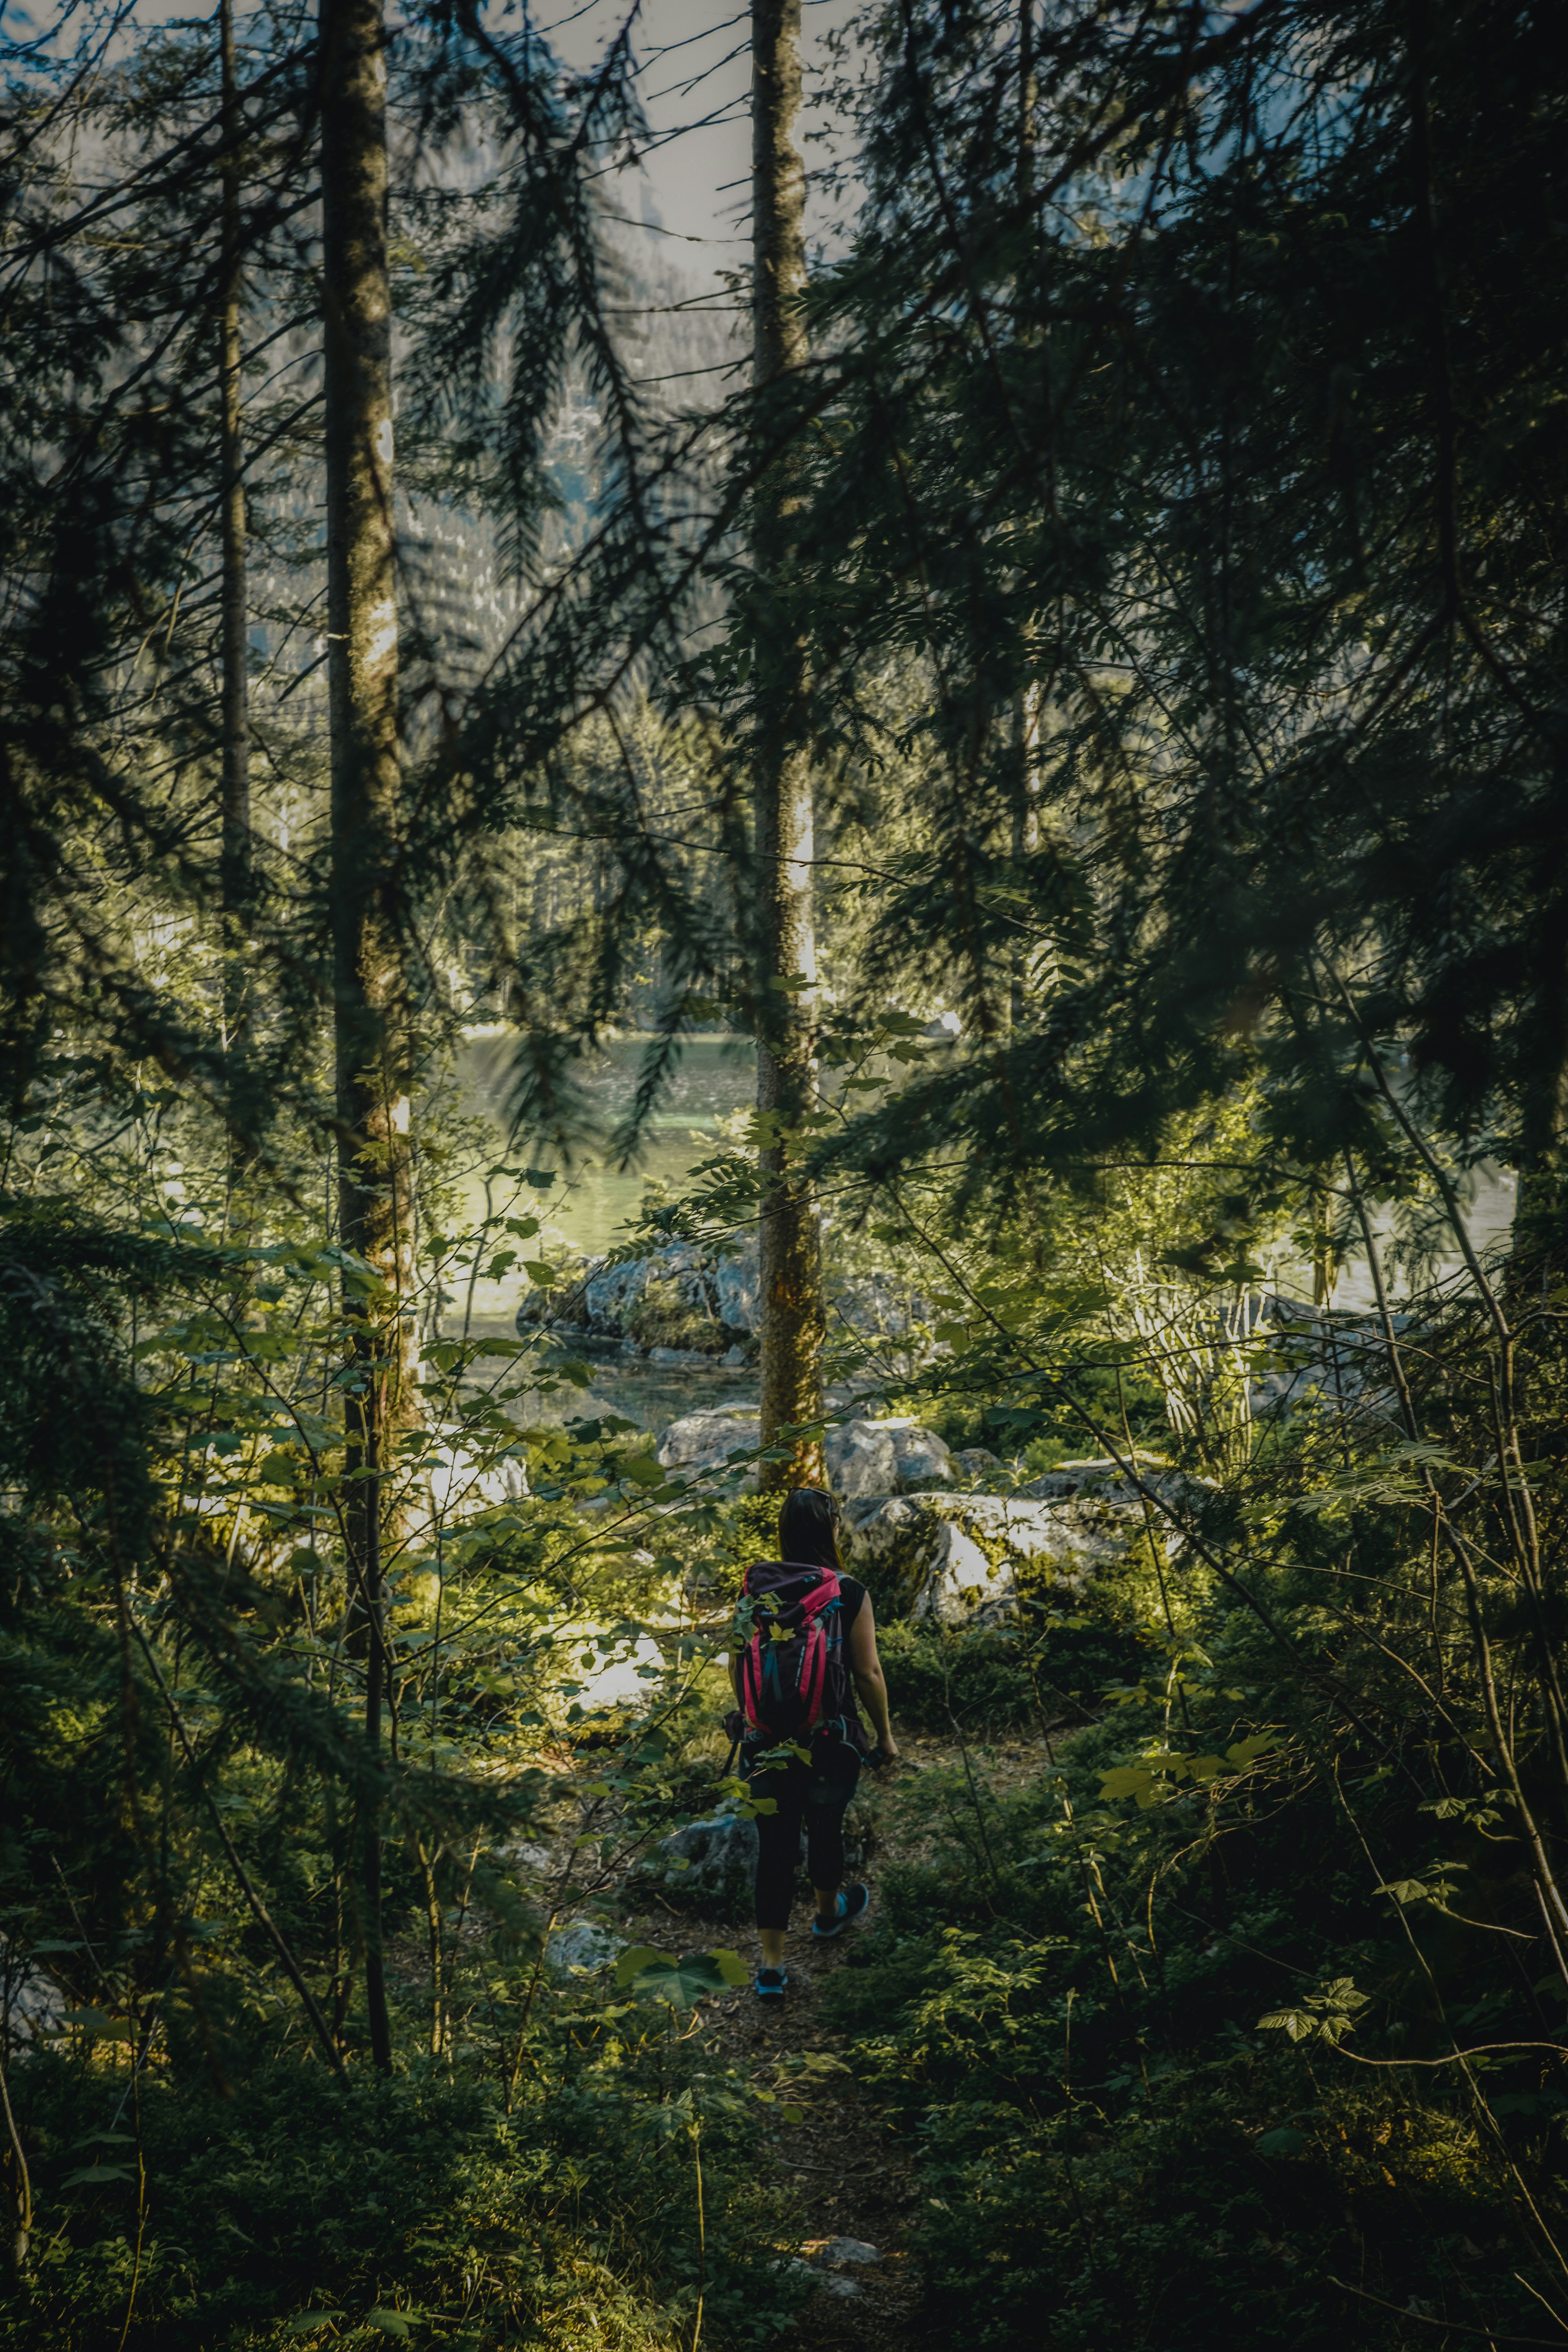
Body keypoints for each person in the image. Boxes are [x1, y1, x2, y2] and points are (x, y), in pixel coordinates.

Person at [728, 1486, 898, 2004]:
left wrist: (754, 1719)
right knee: (827, 1828)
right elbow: (867, 1672)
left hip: (764, 1743)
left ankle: (772, 1969)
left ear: (783, 1530)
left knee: (774, 1849)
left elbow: (738, 1662)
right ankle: (827, 1917)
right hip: (830, 1738)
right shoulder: (848, 1591)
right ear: (832, 1531)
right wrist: (886, 1738)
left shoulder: (754, 1586)